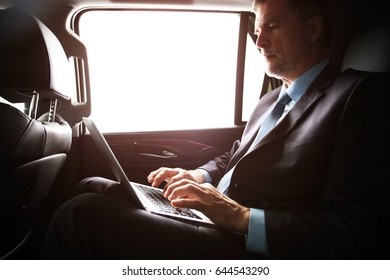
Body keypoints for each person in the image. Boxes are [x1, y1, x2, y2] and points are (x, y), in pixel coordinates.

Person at [42, 0, 389, 259]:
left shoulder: (357, 96)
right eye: (257, 30)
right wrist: (198, 176)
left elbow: (352, 231)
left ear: (313, 29)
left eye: (273, 27)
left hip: (246, 243)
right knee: (93, 186)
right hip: (212, 217)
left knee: (80, 214)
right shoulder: (270, 101)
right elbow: (234, 156)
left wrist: (236, 215)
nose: (259, 41)